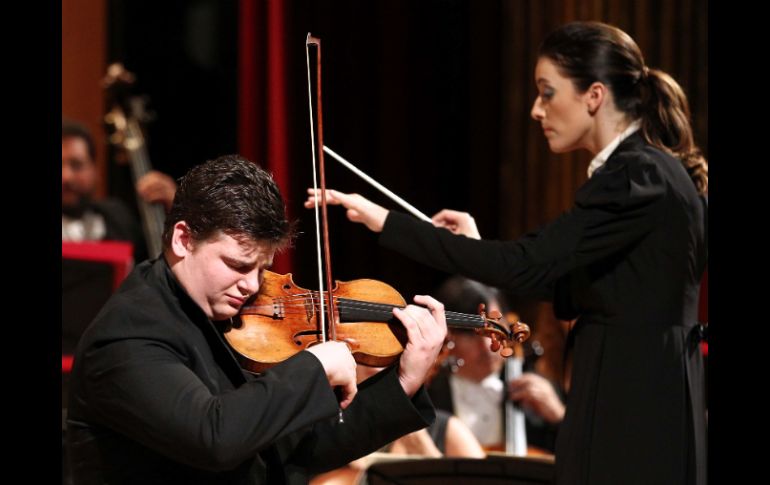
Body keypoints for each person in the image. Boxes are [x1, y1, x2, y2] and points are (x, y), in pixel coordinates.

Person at [305, 21, 708, 485]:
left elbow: (525, 263)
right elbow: (548, 277)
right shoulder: (645, 172)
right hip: (640, 399)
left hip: (634, 410)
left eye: (548, 92)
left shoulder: (636, 177)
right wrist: (476, 247)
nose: (537, 110)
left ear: (594, 96)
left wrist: (385, 221)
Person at [65, 154, 448, 485]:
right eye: (236, 265)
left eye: (263, 268)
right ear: (183, 239)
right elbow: (213, 437)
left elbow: (297, 449)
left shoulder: (228, 320)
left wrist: (404, 381)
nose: (251, 286)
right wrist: (314, 365)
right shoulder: (127, 335)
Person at [429, 276, 565, 453]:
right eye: (471, 334)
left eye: (496, 328)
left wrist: (560, 416)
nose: (488, 347)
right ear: (446, 335)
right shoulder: (426, 395)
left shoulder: (540, 392)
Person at [62, 118, 177, 262]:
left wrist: (176, 208)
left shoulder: (118, 216)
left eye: (76, 165)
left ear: (95, 171)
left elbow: (156, 267)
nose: (66, 177)